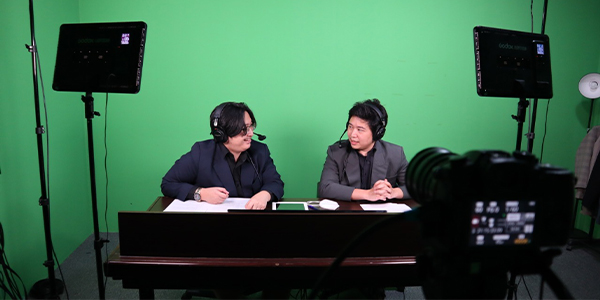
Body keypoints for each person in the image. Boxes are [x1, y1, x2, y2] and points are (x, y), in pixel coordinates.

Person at [161, 102, 284, 209]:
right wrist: (201, 193)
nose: (251, 133)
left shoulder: (260, 151)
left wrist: (265, 194)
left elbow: (275, 182)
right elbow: (168, 183)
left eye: (251, 126)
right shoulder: (201, 152)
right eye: (244, 128)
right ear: (222, 133)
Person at [317, 98, 410, 201]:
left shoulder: (395, 153)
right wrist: (367, 194)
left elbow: (416, 188)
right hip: (348, 214)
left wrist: (393, 192)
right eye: (350, 127)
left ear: (377, 133)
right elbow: (325, 188)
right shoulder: (336, 152)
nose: (352, 134)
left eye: (360, 130)